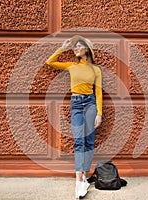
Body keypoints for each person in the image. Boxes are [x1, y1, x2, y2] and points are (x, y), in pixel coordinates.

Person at [45, 35, 102, 198]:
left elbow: (98, 92)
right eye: (74, 47)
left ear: (87, 50)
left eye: (78, 46)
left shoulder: (95, 69)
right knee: (79, 141)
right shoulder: (71, 66)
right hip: (76, 103)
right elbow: (50, 62)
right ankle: (78, 180)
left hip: (91, 104)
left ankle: (84, 175)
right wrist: (62, 48)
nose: (75, 49)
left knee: (89, 140)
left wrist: (99, 113)